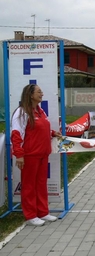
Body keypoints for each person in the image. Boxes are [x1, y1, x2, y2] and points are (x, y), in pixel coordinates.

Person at [11, 84, 62, 226]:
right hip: (29, 155)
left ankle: (43, 212)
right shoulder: (22, 113)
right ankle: (30, 215)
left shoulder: (40, 111)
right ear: (31, 94)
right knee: (29, 186)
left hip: (43, 154)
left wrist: (52, 133)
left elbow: (42, 128)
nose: (42, 94)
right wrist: (19, 155)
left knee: (40, 184)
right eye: (39, 92)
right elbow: (16, 135)